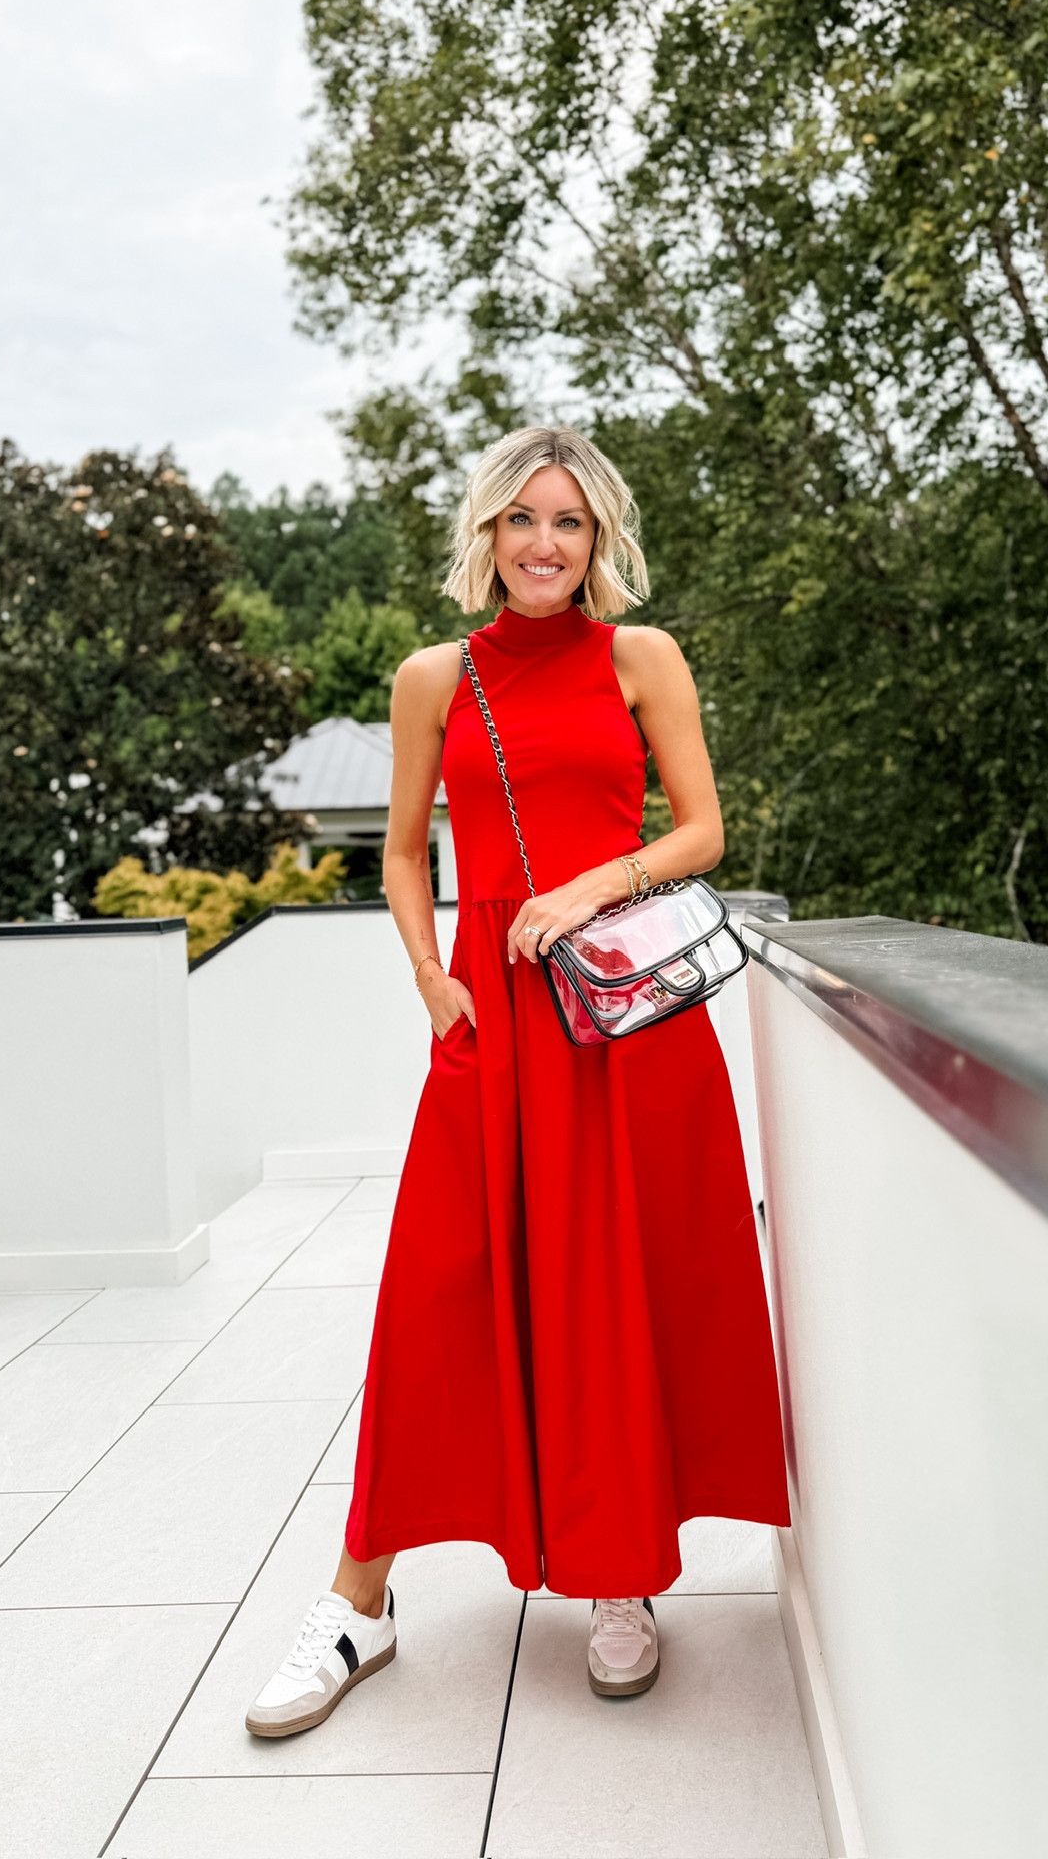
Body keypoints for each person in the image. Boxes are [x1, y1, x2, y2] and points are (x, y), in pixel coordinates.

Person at [246, 425, 788, 1733]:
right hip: (489, 1028)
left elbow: (705, 829)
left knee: (615, 1293)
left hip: (623, 1026)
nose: (545, 544)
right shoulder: (434, 676)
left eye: (571, 524)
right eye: (522, 520)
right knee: (435, 1297)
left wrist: (589, 886)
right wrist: (431, 976)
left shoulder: (641, 659)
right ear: (484, 534)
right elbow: (394, 852)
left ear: (599, 541)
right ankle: (356, 1606)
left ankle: (620, 1578)